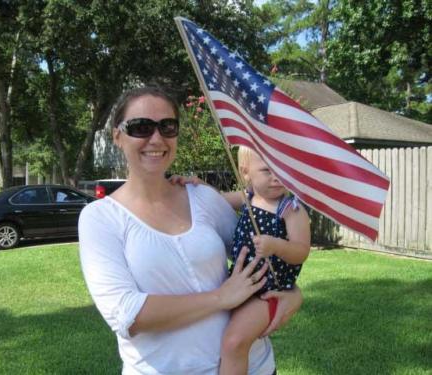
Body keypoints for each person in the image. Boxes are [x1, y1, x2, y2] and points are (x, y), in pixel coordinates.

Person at [79, 86, 303, 374]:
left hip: (255, 367)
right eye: (141, 127)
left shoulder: (203, 198)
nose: (156, 138)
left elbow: (259, 255)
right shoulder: (100, 218)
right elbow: (127, 314)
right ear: (118, 136)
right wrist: (220, 298)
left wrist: (294, 293)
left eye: (167, 127)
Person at [218, 147, 311, 374]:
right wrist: (195, 184)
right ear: (245, 171)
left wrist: (275, 246)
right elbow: (215, 199)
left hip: (268, 290)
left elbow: (301, 251)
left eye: (281, 168)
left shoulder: (290, 209)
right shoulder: (246, 198)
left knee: (234, 342)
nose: (277, 176)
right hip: (242, 284)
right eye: (267, 170)